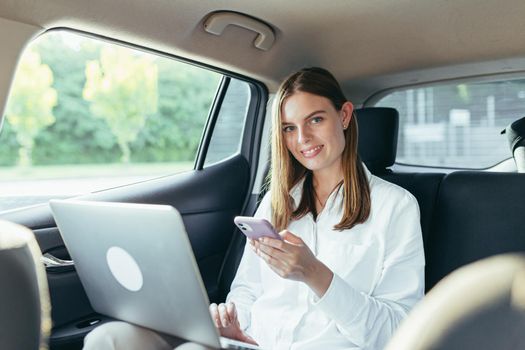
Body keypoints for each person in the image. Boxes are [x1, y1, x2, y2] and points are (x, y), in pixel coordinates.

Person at [83, 67, 425, 350]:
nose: (302, 138)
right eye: (290, 128)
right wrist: (237, 328)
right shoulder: (278, 202)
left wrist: (315, 274)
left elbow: (398, 333)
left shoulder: (395, 207)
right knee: (110, 337)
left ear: (345, 115)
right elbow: (246, 290)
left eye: (316, 120)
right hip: (253, 344)